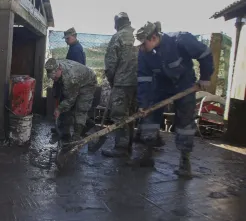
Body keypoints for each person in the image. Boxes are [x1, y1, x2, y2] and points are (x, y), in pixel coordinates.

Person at [132, 21, 214, 177]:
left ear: (154, 37)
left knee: (184, 122)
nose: (140, 48)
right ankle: (147, 155)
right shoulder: (144, 54)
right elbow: (144, 78)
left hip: (184, 85)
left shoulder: (181, 40)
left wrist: (205, 77)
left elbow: (204, 54)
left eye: (143, 44)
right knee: (149, 117)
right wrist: (143, 103)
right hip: (160, 86)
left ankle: (185, 162)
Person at [101, 12, 138, 158]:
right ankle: (128, 145)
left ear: (117, 23)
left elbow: (110, 64)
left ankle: (121, 147)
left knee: (119, 115)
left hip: (122, 83)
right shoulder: (137, 36)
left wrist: (112, 81)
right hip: (137, 83)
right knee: (131, 114)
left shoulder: (117, 37)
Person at [45, 58, 97, 142]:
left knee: (81, 109)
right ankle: (88, 123)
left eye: (54, 75)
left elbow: (70, 99)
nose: (53, 78)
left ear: (59, 69)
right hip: (79, 79)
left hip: (88, 84)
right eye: (51, 76)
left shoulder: (70, 78)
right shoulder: (55, 63)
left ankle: (76, 137)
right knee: (69, 107)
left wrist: (59, 109)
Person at [50, 27, 86, 134]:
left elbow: (77, 68)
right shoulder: (73, 47)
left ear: (74, 36)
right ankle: (61, 127)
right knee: (66, 105)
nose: (66, 40)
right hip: (70, 81)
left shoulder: (76, 49)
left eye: (68, 38)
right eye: (65, 38)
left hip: (72, 82)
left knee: (67, 106)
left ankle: (64, 131)